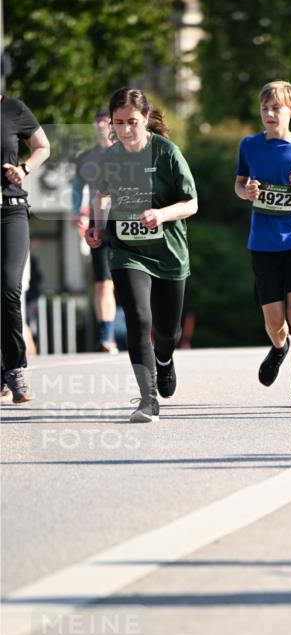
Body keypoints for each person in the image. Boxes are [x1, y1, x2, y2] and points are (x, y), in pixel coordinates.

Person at [85, 88, 198, 422]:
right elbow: (102, 194)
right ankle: (148, 400)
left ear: (145, 119)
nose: (124, 130)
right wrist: (96, 225)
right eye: (118, 123)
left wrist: (160, 215)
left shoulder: (166, 152)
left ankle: (165, 358)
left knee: (167, 331)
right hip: (126, 250)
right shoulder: (111, 157)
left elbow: (192, 203)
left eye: (131, 122)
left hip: (168, 253)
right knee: (138, 318)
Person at [235, 80, 291, 408]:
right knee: (275, 321)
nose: (270, 114)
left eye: (276, 108)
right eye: (265, 109)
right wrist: (247, 192)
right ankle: (279, 346)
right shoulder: (249, 146)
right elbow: (239, 185)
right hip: (263, 243)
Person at [1, 95, 50, 403]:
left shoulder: (13, 108)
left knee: (8, 287)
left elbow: (43, 146)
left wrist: (25, 168)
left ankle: (16, 369)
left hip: (10, 211)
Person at [72, 108, 118, 353]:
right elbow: (77, 189)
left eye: (106, 121)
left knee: (132, 280)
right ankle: (106, 337)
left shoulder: (126, 152)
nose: (101, 125)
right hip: (97, 223)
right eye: (98, 120)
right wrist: (75, 212)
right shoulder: (86, 157)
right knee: (103, 282)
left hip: (125, 220)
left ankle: (143, 333)